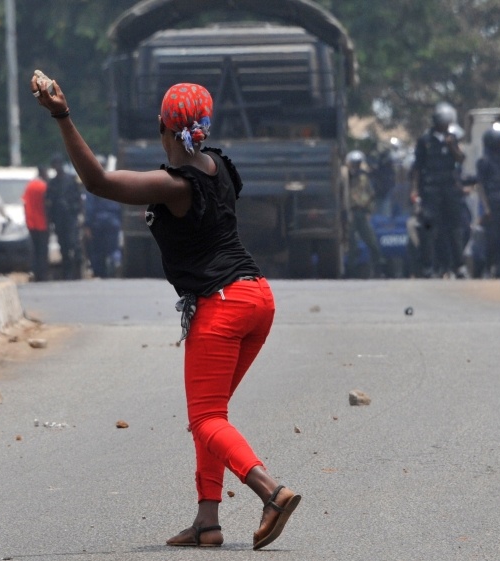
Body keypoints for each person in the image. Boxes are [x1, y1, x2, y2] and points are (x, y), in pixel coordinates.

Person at [31, 75, 300, 550]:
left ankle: (270, 491)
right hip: (258, 297)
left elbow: (98, 182)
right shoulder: (218, 165)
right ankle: (207, 521)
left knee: (205, 419)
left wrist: (61, 115)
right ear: (205, 126)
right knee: (211, 415)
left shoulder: (174, 184)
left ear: (161, 124)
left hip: (222, 305)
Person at [410, 102, 467, 278]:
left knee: (454, 228)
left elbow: (460, 159)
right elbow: (417, 167)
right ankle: (428, 266)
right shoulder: (425, 140)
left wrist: (451, 146)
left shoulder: (452, 138)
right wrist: (415, 191)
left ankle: (458, 266)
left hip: (449, 189)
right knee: (428, 229)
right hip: (431, 190)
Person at [476, 121, 500, 279]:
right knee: (492, 237)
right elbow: (481, 186)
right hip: (493, 204)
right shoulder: (484, 162)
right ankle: (490, 266)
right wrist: (486, 208)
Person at [342, 150, 385, 278]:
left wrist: (369, 211)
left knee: (372, 243)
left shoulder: (364, 178)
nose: (356, 166)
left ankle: (378, 270)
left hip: (362, 213)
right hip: (351, 214)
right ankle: (350, 273)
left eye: (358, 164)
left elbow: (371, 195)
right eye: (354, 164)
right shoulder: (345, 179)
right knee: (352, 245)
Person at [45, 154, 83, 280]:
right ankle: (67, 273)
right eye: (55, 165)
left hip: (71, 218)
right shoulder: (52, 183)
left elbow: (79, 199)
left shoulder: (71, 180)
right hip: (59, 219)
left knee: (75, 245)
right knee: (64, 246)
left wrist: (76, 211)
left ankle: (78, 272)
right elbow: (49, 202)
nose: (57, 167)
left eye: (58, 164)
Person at [84, 190, 122, 278]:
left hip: (98, 223)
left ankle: (100, 273)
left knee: (98, 250)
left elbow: (89, 207)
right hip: (113, 221)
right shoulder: (114, 187)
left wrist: (87, 225)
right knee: (113, 248)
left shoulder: (93, 188)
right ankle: (115, 265)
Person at [22, 165, 50, 282]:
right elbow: (47, 204)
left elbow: (24, 202)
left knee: (34, 250)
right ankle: (42, 274)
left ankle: (35, 273)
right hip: (42, 222)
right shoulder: (44, 186)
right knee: (42, 250)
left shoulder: (29, 186)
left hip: (31, 223)